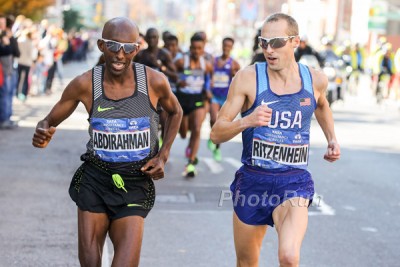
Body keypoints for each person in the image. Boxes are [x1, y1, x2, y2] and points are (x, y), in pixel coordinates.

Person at [32, 17, 182, 266]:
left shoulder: (154, 82)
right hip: (95, 180)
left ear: (137, 48)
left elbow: (175, 112)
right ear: (102, 46)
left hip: (135, 182)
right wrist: (42, 130)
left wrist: (163, 155)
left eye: (127, 47)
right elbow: (48, 120)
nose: (120, 55)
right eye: (113, 45)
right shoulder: (85, 84)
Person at [210, 13, 340, 267]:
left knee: (289, 257)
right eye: (264, 42)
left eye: (277, 42)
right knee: (247, 262)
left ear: (295, 42)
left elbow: (321, 105)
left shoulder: (315, 79)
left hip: (293, 181)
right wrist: (246, 121)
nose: (269, 50)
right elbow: (216, 132)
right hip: (253, 182)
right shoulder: (248, 78)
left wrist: (332, 138)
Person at [175, 33, 213, 177]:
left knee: (197, 129)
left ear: (203, 49)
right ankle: (189, 149)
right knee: (184, 133)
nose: (196, 51)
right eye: (194, 48)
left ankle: (190, 162)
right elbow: (169, 74)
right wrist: (178, 81)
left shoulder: (207, 65)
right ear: (190, 48)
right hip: (182, 99)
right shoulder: (181, 62)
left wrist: (208, 91)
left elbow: (210, 79)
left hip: (198, 98)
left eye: (199, 48)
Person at [208, 37, 240, 161]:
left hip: (226, 98)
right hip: (214, 96)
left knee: (221, 122)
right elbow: (208, 74)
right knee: (212, 119)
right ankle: (212, 136)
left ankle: (217, 148)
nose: (226, 48)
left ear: (232, 48)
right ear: (222, 45)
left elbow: (239, 80)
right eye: (225, 45)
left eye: (229, 46)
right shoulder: (214, 61)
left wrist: (234, 73)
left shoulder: (234, 63)